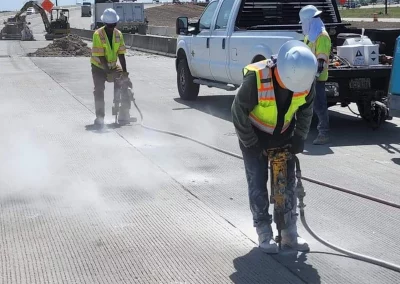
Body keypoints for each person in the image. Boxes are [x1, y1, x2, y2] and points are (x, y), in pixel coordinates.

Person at [231, 40, 318, 253]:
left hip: (284, 135)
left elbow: (306, 110)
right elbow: (237, 111)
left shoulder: (305, 79)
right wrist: (250, 143)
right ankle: (263, 231)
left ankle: (289, 231)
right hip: (254, 135)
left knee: (286, 184)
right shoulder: (257, 78)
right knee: (257, 182)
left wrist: (299, 136)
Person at [90, 8, 132, 126]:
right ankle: (100, 117)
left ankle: (123, 113)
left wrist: (124, 73)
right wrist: (108, 72)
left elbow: (121, 54)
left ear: (116, 24)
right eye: (109, 25)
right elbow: (101, 56)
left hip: (113, 66)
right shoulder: (97, 34)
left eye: (113, 25)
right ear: (105, 24)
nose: (111, 27)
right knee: (99, 90)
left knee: (124, 83)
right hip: (98, 66)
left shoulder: (118, 34)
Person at [299, 5, 332, 145]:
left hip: (316, 78)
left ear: (309, 21)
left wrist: (314, 76)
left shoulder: (322, 36)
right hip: (307, 77)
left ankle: (324, 133)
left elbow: (321, 61)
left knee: (319, 105)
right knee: (305, 105)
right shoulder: (310, 35)